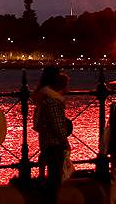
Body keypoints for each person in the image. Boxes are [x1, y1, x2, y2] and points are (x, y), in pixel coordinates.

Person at [33, 71, 71, 204]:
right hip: (54, 144)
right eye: (67, 85)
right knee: (54, 179)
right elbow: (57, 125)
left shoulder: (46, 99)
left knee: (52, 177)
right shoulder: (53, 102)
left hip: (46, 142)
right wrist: (65, 142)